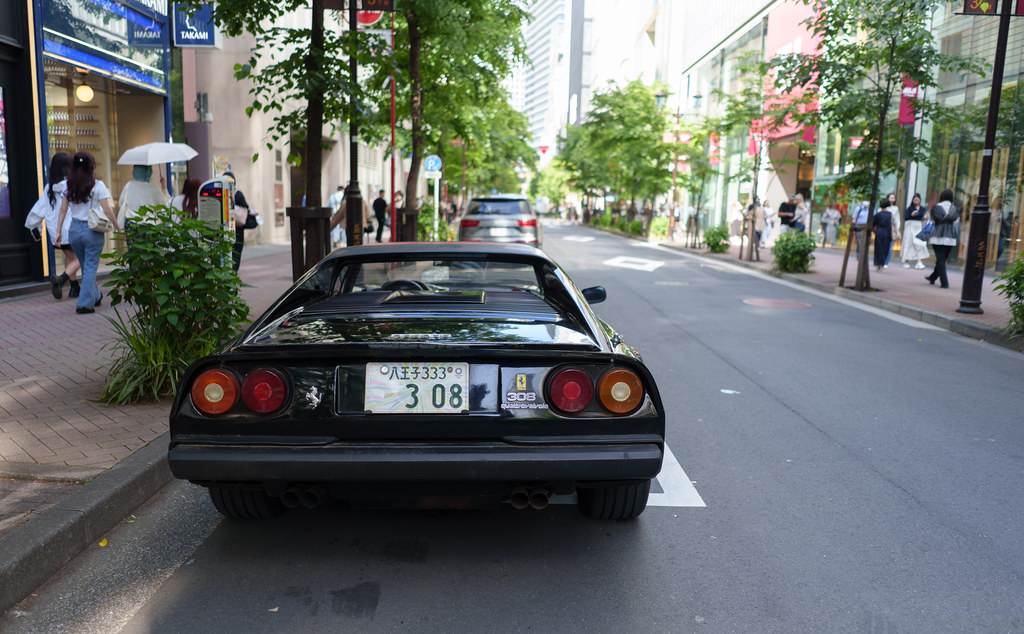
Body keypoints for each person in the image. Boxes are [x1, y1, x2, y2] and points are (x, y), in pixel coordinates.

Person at [54, 152, 120, 314]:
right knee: (90, 267)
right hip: (92, 230)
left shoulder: (68, 185)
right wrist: (118, 227)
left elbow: (63, 209)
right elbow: (107, 210)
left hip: (74, 230)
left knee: (85, 265)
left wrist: (58, 232)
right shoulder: (98, 186)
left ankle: (96, 296)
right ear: (91, 166)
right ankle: (84, 304)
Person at [25, 153, 80, 300]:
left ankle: (75, 288)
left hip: (56, 232)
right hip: (72, 228)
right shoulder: (72, 185)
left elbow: (38, 209)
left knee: (69, 256)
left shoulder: (49, 187)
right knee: (83, 256)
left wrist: (34, 226)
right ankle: (62, 279)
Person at [223, 172, 259, 272]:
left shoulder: (222, 194)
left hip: (225, 228)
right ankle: (234, 272)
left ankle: (228, 272)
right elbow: (245, 207)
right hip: (237, 229)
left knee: (226, 251)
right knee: (236, 252)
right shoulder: (238, 194)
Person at [925, 188, 960, 289]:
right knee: (942, 259)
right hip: (950, 237)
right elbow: (956, 222)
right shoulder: (955, 209)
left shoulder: (936, 208)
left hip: (937, 235)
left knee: (940, 259)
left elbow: (932, 221)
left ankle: (944, 283)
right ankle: (933, 277)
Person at [117, 165, 168, 230]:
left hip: (131, 225)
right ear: (149, 172)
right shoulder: (154, 189)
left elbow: (120, 203)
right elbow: (165, 205)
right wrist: (164, 187)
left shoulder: (128, 186)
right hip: (149, 226)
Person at [901, 192, 929, 269]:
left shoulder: (922, 208)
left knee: (919, 243)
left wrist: (925, 217)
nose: (916, 201)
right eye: (915, 200)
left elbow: (923, 218)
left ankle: (919, 261)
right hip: (910, 226)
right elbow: (906, 217)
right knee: (909, 243)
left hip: (919, 226)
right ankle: (906, 260)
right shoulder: (910, 208)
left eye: (917, 200)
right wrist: (911, 215)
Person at [872, 199, 894, 272]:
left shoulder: (878, 214)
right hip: (887, 232)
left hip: (879, 232)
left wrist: (874, 231)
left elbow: (874, 224)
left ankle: (877, 265)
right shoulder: (890, 214)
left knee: (878, 248)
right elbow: (891, 224)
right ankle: (882, 265)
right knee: (885, 249)